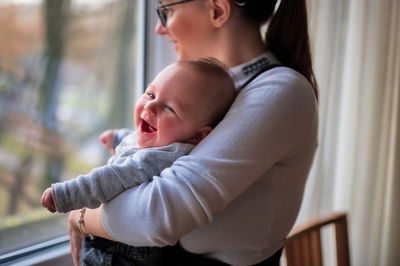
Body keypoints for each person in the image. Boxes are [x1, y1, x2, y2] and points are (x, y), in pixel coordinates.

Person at [67, 0, 319, 265]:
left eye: (168, 11)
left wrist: (83, 215)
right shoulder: (209, 93)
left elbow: (155, 217)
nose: (158, 29)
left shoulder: (279, 92)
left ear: (217, 10)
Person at [41, 58, 236, 265]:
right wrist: (118, 137)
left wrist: (66, 194)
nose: (151, 105)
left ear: (197, 137)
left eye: (169, 108)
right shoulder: (166, 141)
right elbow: (138, 140)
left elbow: (113, 177)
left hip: (118, 254)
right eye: (150, 94)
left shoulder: (158, 158)